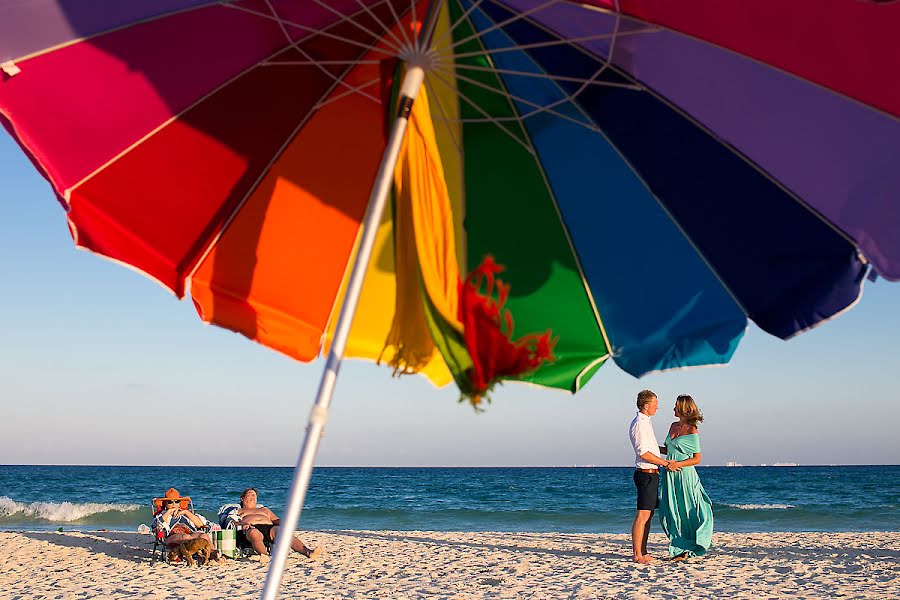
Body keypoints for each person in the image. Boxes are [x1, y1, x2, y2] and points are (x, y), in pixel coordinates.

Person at [659, 395, 714, 560]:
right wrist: (650, 448)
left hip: (685, 475)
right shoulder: (673, 426)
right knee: (672, 511)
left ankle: (691, 546)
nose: (673, 409)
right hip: (670, 475)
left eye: (676, 406)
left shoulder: (692, 429)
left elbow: (697, 458)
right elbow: (669, 450)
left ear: (683, 408)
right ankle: (679, 547)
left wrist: (678, 465)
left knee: (689, 510)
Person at [629, 389, 679, 564]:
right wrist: (666, 463)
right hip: (645, 474)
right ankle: (637, 554)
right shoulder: (640, 424)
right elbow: (644, 453)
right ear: (645, 405)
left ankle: (643, 551)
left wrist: (670, 451)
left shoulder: (646, 422)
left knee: (648, 514)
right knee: (642, 514)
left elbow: (652, 448)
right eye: (655, 404)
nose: (658, 407)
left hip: (652, 474)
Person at [234, 487, 324, 563]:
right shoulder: (238, 510)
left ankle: (308, 553)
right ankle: (265, 556)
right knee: (254, 533)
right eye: (250, 494)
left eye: (255, 495)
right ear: (242, 498)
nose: (253, 496)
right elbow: (232, 521)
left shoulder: (264, 509)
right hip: (250, 528)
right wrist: (243, 524)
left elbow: (276, 520)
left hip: (269, 528)